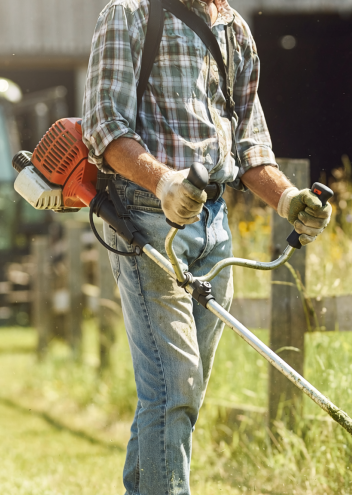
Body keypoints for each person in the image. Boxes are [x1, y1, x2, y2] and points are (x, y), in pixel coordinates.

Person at [81, 0, 331, 493]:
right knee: (175, 387)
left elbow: (250, 145)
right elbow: (103, 127)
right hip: (147, 216)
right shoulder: (129, 13)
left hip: (216, 225)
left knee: (177, 392)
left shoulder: (234, 29)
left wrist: (288, 198)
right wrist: (164, 182)